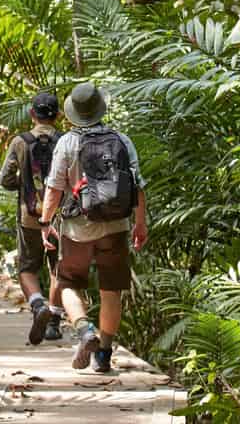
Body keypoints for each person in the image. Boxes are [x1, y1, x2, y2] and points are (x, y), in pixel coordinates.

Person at [38, 82, 148, 372]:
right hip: (116, 226)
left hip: (77, 228)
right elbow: (138, 186)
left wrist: (45, 222)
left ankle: (85, 330)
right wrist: (140, 224)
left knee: (68, 285)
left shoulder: (67, 143)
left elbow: (54, 188)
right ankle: (104, 355)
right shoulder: (122, 140)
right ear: (100, 109)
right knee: (111, 291)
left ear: (73, 113)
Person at [0, 92, 65, 345]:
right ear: (57, 115)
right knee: (57, 268)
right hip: (59, 216)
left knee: (27, 268)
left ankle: (38, 306)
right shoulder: (65, 141)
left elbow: (5, 179)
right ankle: (54, 324)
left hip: (30, 215)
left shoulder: (20, 142)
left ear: (32, 114)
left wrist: (24, 184)